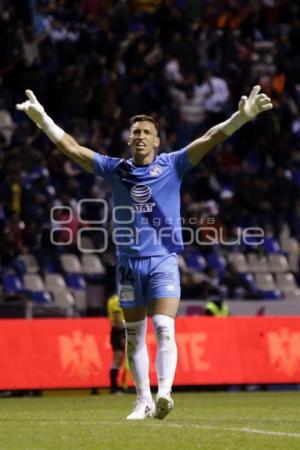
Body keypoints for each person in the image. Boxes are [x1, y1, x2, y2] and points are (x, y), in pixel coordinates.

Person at [16, 85, 272, 420]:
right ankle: (143, 400)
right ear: (129, 139)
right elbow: (74, 150)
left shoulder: (173, 164)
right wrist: (43, 120)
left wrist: (240, 118)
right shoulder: (114, 168)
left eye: (146, 132)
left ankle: (164, 394)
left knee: (165, 327)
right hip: (127, 264)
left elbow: (209, 139)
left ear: (156, 141)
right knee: (133, 336)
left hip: (163, 260)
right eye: (135, 131)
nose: (139, 136)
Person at [106, 293, 129, 394]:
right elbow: (117, 317)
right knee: (118, 359)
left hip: (120, 331)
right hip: (120, 331)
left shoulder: (116, 299)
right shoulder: (117, 300)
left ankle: (121, 386)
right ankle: (115, 388)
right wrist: (123, 333)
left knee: (120, 360)